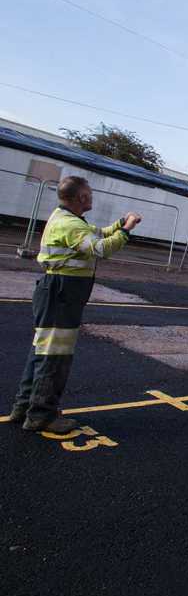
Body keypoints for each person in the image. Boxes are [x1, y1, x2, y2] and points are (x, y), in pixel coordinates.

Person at [8, 176, 141, 433]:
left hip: (56, 293)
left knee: (42, 352)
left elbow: (96, 234)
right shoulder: (70, 225)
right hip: (61, 295)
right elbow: (100, 248)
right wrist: (125, 231)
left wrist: (119, 225)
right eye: (89, 194)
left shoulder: (69, 220)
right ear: (81, 198)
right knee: (55, 357)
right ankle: (41, 415)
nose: (91, 197)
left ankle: (24, 407)